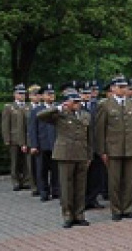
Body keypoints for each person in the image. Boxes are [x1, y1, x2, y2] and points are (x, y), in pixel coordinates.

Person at [36, 89, 93, 228]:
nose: (78, 104)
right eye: (75, 102)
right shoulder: (60, 114)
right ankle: (68, 215)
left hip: (81, 153)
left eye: (79, 102)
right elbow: (40, 116)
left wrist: (89, 155)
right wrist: (59, 107)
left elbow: (89, 137)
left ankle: (79, 214)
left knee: (80, 186)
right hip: (65, 153)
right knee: (66, 186)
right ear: (68, 102)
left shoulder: (85, 115)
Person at [96, 75, 132, 221]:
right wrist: (102, 150)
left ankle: (127, 208)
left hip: (129, 147)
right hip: (113, 148)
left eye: (125, 87)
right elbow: (100, 129)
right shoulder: (105, 104)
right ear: (112, 88)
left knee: (129, 180)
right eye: (120, 87)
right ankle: (116, 210)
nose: (123, 90)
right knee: (114, 181)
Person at [29, 84, 60, 201]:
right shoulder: (36, 110)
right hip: (42, 144)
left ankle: (56, 190)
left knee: (55, 169)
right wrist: (34, 145)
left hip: (56, 144)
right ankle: (44, 191)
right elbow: (32, 129)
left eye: (52, 93)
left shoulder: (58, 108)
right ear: (42, 96)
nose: (51, 96)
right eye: (48, 94)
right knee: (42, 169)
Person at [1, 84, 32, 191]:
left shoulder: (29, 106)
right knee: (15, 161)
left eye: (23, 93)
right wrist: (6, 138)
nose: (22, 96)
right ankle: (15, 181)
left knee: (26, 161)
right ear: (14, 94)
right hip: (14, 138)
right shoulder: (9, 107)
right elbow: (5, 124)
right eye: (20, 93)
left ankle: (27, 180)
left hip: (26, 138)